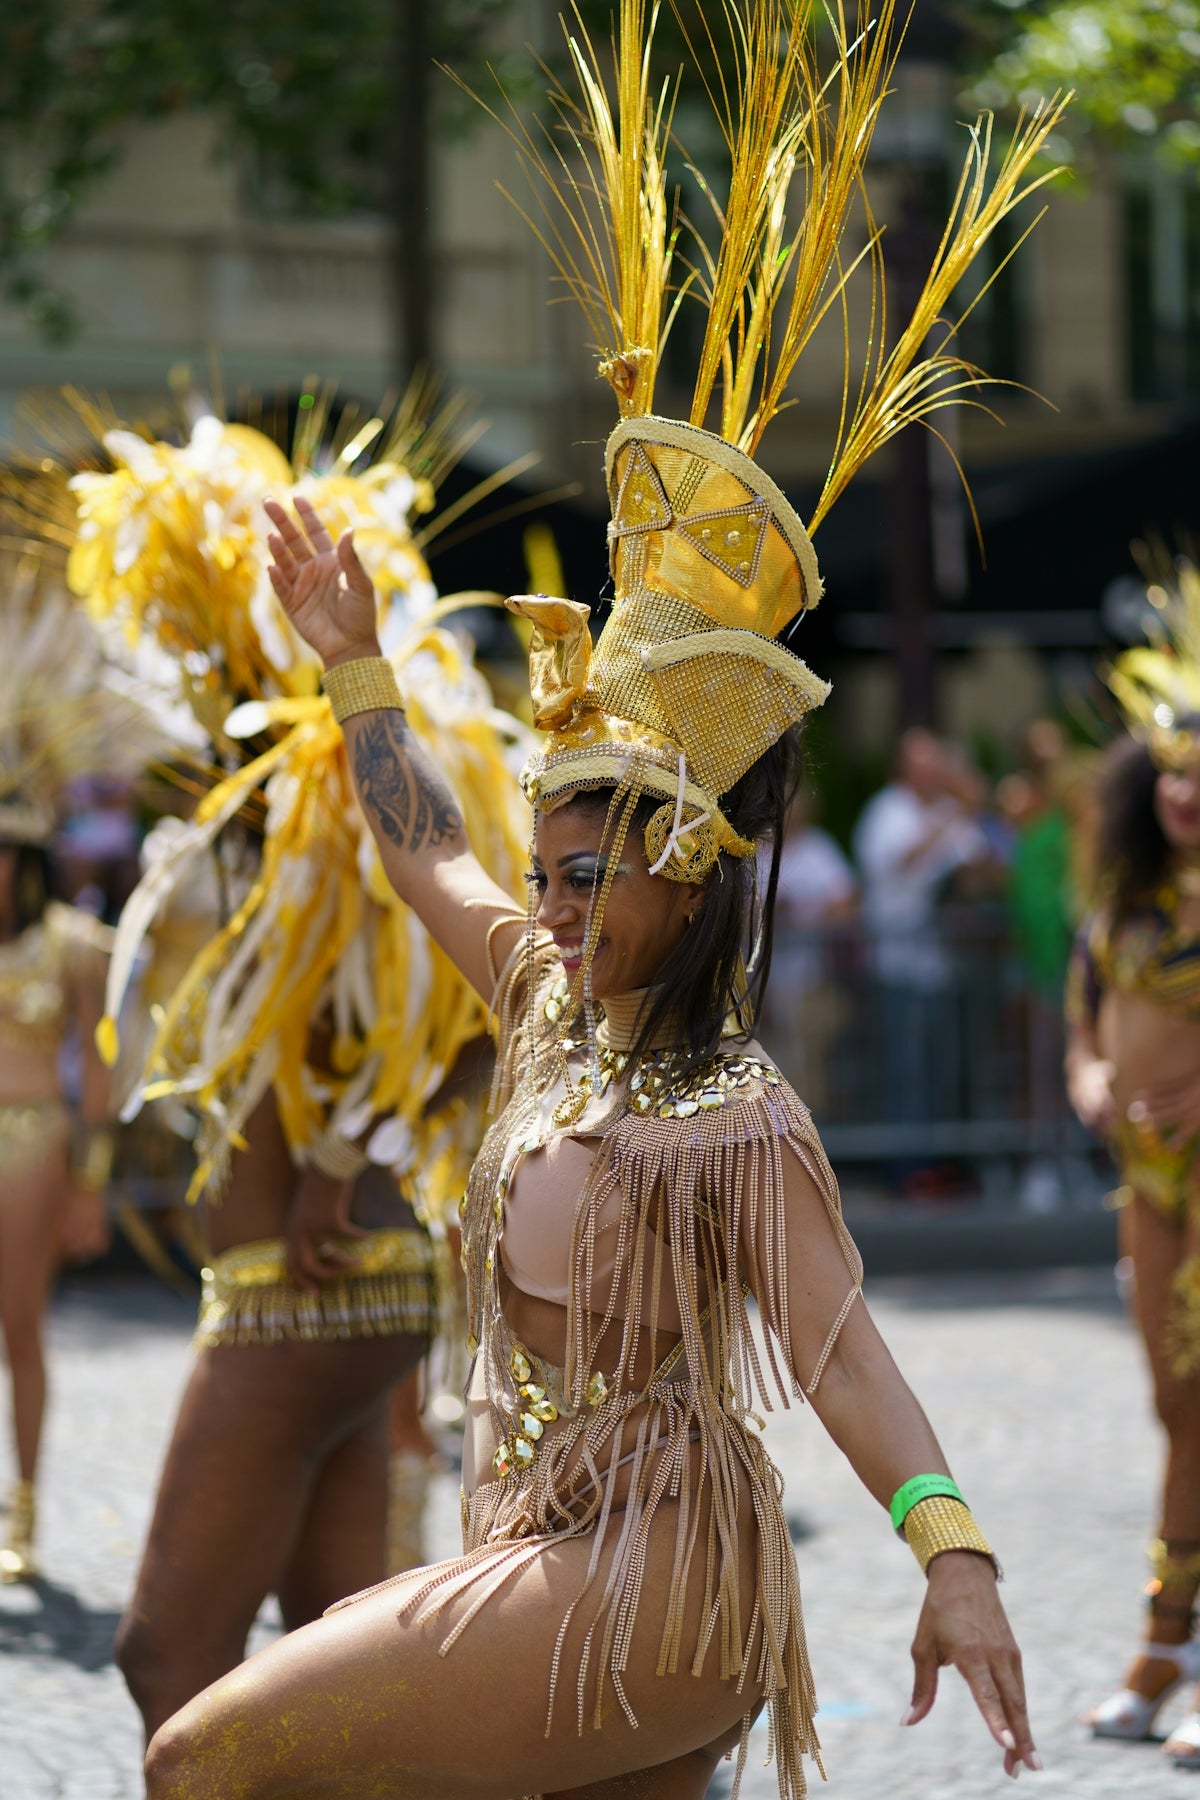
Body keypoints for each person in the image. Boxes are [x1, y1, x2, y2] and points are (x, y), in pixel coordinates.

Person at [139, 8, 1064, 1792]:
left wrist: (957, 1563)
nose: (551, 906)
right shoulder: (544, 1002)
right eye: (548, 871)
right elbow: (423, 847)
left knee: (203, 1758)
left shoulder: (733, 1119)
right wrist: (355, 673)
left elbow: (847, 1359)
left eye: (589, 877)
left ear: (693, 872)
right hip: (549, 1554)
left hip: (658, 1582)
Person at [48, 398, 531, 1739]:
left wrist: (349, 1160)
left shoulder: (316, 812)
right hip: (331, 1282)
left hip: (301, 1289)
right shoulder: (270, 823)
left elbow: (473, 1015)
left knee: (166, 1661)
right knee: (340, 1667)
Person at [0, 569, 162, 1581]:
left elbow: (104, 1062)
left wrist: (93, 1182)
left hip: (33, 1142)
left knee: (20, 1321)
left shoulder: (70, 946)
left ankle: (20, 1511)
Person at [1065, 577, 1200, 1768]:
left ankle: (1167, 1651)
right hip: (1147, 1180)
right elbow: (1083, 1020)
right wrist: (1091, 1080)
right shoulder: (1126, 902)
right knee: (1173, 1407)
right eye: (1172, 768)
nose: (1187, 790)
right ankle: (1167, 1647)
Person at [853, 731, 991, 1180]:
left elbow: (979, 868)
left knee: (941, 1071)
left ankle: (940, 1167)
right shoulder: (886, 811)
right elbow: (903, 860)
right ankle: (908, 1171)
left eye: (938, 764)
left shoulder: (950, 812)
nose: (933, 773)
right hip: (899, 967)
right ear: (905, 769)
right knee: (905, 1071)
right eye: (924, 764)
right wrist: (953, 820)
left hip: (943, 969)